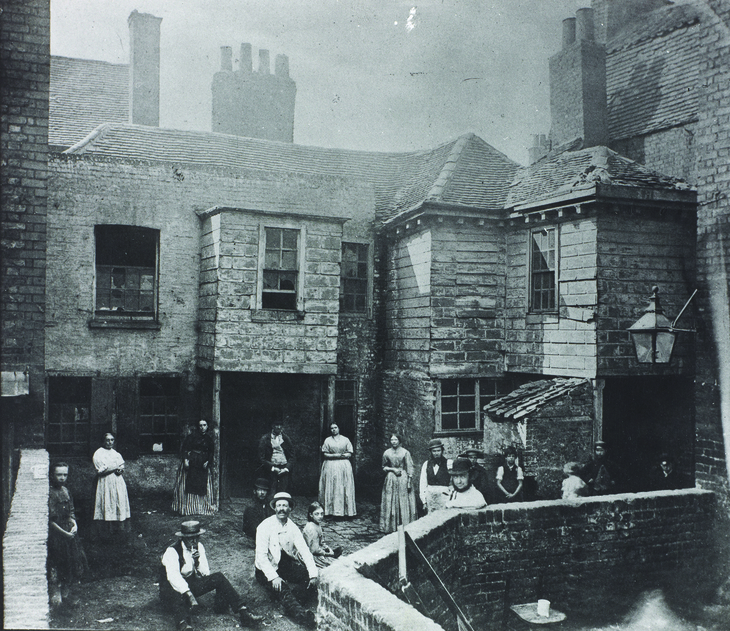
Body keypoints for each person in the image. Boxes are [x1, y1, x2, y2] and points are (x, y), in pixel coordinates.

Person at [160, 520, 263, 631]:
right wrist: (188, 594)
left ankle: (243, 612)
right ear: (183, 538)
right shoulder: (172, 551)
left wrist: (197, 560)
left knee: (218, 577)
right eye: (190, 538)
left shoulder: (199, 547)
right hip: (171, 590)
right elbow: (173, 577)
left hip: (189, 585)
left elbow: (205, 574)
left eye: (196, 537)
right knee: (177, 595)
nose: (194, 541)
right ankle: (184, 624)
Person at [255, 492, 318, 630]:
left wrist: (313, 573)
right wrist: (274, 577)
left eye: (285, 505)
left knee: (307, 576)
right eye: (279, 506)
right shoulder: (264, 526)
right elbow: (261, 557)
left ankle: (287, 604)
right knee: (281, 587)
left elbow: (305, 551)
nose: (281, 509)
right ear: (274, 508)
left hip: (283, 563)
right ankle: (302, 616)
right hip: (265, 569)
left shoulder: (292, 527)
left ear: (290, 509)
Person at [48, 462, 88, 607]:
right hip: (58, 536)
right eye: (59, 474)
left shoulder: (66, 490)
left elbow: (71, 512)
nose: (62, 478)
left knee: (72, 563)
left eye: (65, 474)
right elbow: (51, 521)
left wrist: (74, 525)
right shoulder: (50, 493)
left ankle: (66, 594)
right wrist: (65, 533)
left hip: (70, 535)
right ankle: (56, 596)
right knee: (58, 563)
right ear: (52, 475)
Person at [172, 420, 216, 516]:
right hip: (192, 462)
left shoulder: (209, 439)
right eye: (200, 425)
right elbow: (184, 449)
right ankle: (188, 508)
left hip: (202, 464)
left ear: (207, 426)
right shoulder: (191, 437)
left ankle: (201, 508)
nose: (202, 427)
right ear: (198, 427)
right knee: (188, 484)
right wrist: (186, 460)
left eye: (204, 425)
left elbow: (211, 452)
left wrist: (208, 461)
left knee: (202, 485)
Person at [92, 432, 131, 535]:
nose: (110, 442)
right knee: (107, 500)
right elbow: (101, 471)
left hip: (118, 481)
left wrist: (120, 470)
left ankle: (118, 529)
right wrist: (115, 467)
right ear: (103, 441)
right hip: (105, 482)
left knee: (118, 500)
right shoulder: (98, 453)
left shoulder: (115, 453)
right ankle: (106, 531)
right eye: (107, 440)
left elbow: (121, 466)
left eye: (112, 440)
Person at [379, 433, 418, 532]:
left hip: (402, 478)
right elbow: (384, 467)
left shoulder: (405, 452)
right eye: (392, 440)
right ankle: (390, 526)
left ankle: (405, 525)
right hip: (391, 478)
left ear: (399, 441)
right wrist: (392, 469)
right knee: (390, 500)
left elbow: (410, 467)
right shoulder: (387, 453)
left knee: (403, 500)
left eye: (395, 440)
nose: (394, 442)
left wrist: (409, 481)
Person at [318, 422, 357, 517]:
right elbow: (325, 454)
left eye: (335, 427)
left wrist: (343, 455)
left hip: (343, 466)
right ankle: (330, 511)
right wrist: (337, 455)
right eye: (331, 428)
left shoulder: (345, 440)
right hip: (330, 466)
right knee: (331, 486)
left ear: (339, 428)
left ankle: (345, 511)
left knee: (343, 487)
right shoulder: (328, 440)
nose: (334, 430)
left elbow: (349, 453)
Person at [257, 422, 295, 495]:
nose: (279, 427)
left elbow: (292, 455)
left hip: (284, 469)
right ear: (272, 426)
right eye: (277, 425)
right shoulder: (265, 438)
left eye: (281, 425)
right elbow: (261, 458)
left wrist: (286, 469)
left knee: (283, 492)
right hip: (270, 469)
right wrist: (273, 468)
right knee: (271, 491)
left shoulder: (286, 438)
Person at [302, 501, 343, 568]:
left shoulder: (317, 524)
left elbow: (321, 542)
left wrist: (327, 548)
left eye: (322, 514)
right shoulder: (311, 528)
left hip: (316, 549)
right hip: (312, 554)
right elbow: (314, 550)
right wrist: (327, 554)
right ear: (311, 515)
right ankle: (332, 556)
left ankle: (332, 555)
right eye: (317, 514)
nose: (320, 516)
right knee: (336, 566)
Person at [418, 438, 452, 514]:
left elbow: (453, 482)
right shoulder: (426, 464)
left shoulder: (449, 463)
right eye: (434, 451)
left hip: (444, 497)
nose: (436, 453)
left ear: (442, 451)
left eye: (438, 450)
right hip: (430, 497)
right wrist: (424, 500)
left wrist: (450, 498)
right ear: (431, 452)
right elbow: (423, 483)